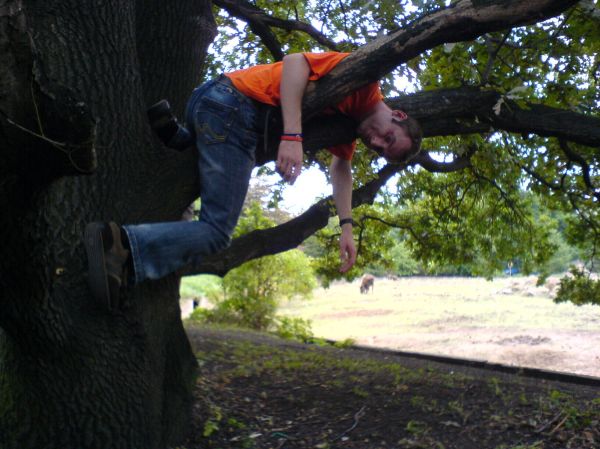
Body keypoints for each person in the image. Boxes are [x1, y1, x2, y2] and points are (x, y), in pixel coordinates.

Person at [84, 52, 422, 310]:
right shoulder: (364, 80)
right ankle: (121, 245)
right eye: (389, 138)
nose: (377, 143)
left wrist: (347, 227)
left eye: (381, 150)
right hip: (235, 108)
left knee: (207, 161)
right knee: (217, 232)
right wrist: (292, 135)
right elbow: (295, 64)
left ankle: (180, 139)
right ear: (398, 115)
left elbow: (341, 169)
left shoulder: (349, 122)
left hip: (212, 101)